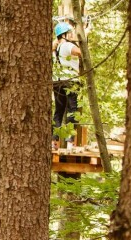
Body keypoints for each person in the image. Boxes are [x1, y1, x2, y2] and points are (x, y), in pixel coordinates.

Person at [52, 21, 82, 149]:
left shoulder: (56, 48)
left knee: (59, 111)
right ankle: (70, 141)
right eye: (69, 33)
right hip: (70, 81)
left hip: (57, 82)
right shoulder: (67, 46)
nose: (71, 35)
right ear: (63, 35)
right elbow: (80, 52)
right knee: (72, 111)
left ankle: (54, 141)